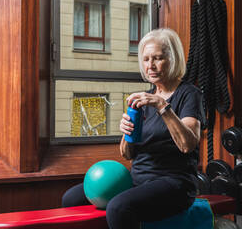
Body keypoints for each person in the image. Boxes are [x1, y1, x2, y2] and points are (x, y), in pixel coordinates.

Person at [61, 28, 204, 229]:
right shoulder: (142, 99)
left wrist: (162, 106)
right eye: (146, 59)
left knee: (118, 208)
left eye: (157, 58)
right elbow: (127, 153)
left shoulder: (189, 94)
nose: (150, 65)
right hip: (138, 179)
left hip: (174, 182)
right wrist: (127, 132)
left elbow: (187, 145)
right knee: (71, 199)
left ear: (173, 59)